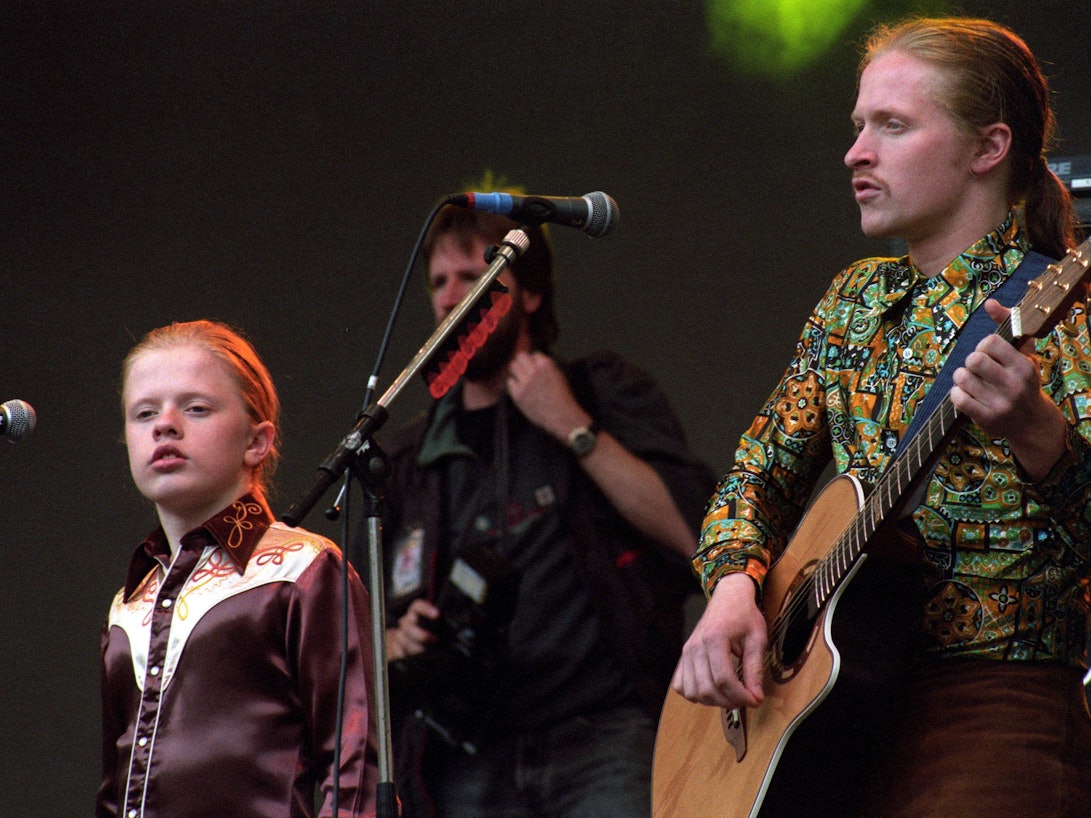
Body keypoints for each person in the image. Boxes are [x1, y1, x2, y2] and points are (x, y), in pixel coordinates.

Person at [672, 16, 1091, 817]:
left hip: (996, 713)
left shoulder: (1064, 307)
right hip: (837, 718)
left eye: (890, 126)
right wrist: (731, 589)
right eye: (858, 125)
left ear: (987, 147)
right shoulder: (853, 302)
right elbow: (756, 473)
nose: (855, 152)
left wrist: (1040, 438)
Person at [377, 180, 716, 817]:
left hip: (604, 738)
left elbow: (699, 538)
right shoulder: (406, 461)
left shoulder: (600, 390)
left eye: (475, 276)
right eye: (439, 281)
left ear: (529, 292)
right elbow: (363, 628)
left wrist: (575, 430)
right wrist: (394, 638)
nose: (453, 296)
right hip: (466, 759)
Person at [97, 320, 380, 818]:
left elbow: (357, 769)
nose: (164, 424)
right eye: (143, 413)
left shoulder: (302, 571)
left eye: (196, 408)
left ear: (257, 441)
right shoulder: (129, 603)